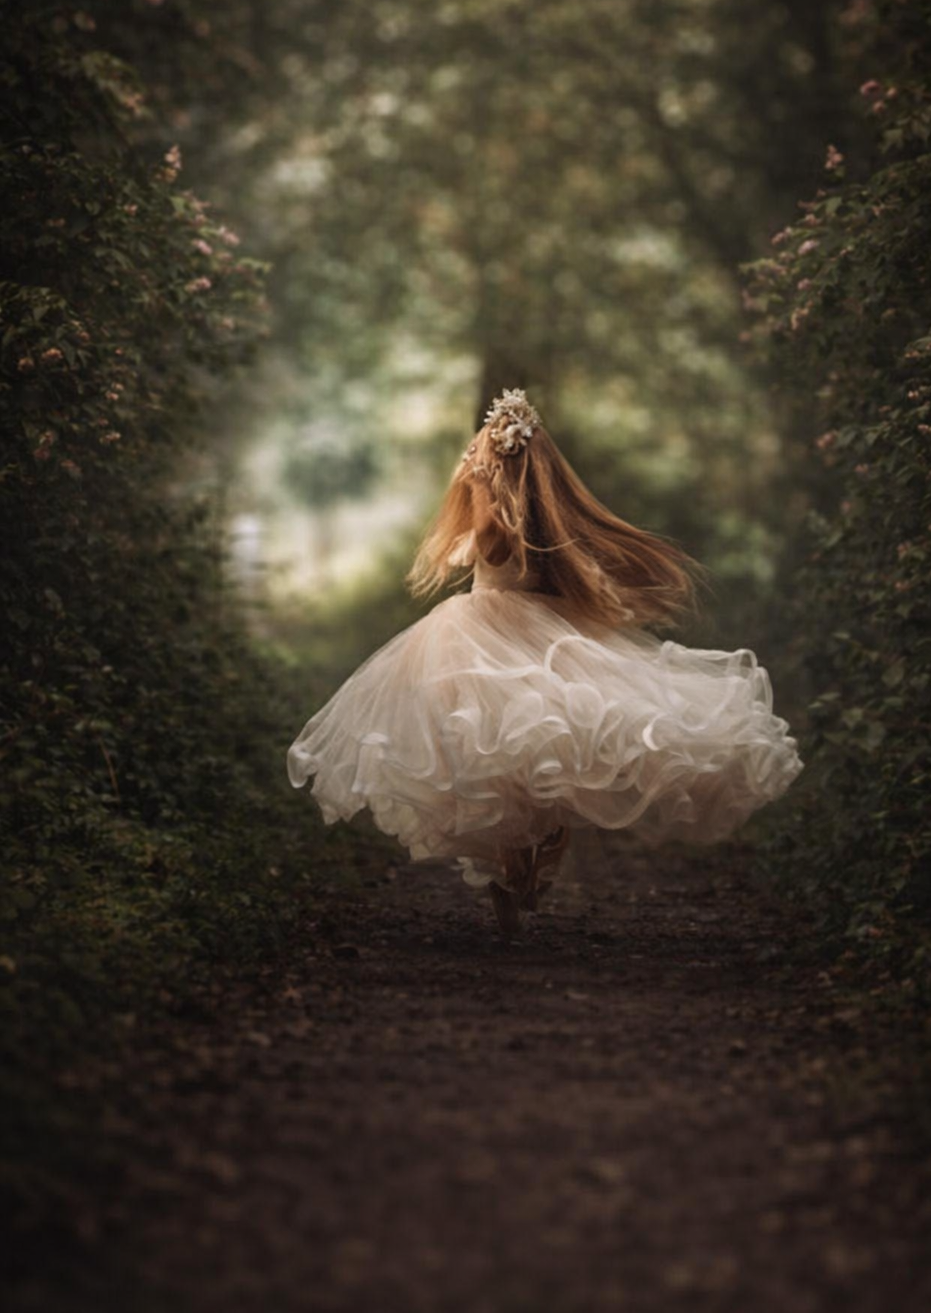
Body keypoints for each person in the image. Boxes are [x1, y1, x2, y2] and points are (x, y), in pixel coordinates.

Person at [287, 388, 803, 937]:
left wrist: (480, 485)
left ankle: (521, 872)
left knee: (516, 764)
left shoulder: (504, 514)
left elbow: (493, 547)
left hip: (496, 635)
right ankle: (519, 872)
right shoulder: (539, 513)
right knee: (502, 767)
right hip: (513, 633)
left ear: (498, 457)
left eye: (485, 455)